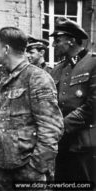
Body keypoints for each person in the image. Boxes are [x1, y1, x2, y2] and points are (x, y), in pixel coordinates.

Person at [0, 27, 64, 191]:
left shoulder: (37, 77)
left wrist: (35, 167)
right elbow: (0, 115)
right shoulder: (2, 75)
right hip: (2, 166)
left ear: (6, 49)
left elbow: (52, 128)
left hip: (27, 169)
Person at [50, 17, 96, 185]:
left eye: (57, 40)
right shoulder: (57, 69)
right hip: (61, 144)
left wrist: (61, 126)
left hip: (85, 144)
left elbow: (92, 106)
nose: (54, 45)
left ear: (70, 40)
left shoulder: (93, 63)